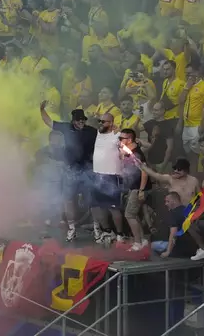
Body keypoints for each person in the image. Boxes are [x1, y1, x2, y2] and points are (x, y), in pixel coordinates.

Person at [40, 104, 97, 242]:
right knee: (69, 199)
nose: (81, 122)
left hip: (87, 169)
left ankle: (97, 229)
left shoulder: (92, 131)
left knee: (92, 200)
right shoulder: (66, 128)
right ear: (73, 120)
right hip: (71, 170)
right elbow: (49, 122)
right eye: (78, 120)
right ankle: (72, 228)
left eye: (83, 120)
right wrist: (42, 110)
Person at [91, 112, 122, 243]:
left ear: (111, 123)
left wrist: (119, 130)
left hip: (111, 176)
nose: (100, 124)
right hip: (97, 175)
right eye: (100, 121)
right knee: (100, 206)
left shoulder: (117, 135)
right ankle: (107, 231)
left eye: (103, 121)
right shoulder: (97, 134)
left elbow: (130, 139)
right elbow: (90, 122)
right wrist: (95, 117)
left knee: (113, 208)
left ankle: (120, 234)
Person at [119, 128, 151, 251]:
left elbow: (144, 172)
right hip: (133, 187)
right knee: (134, 215)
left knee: (130, 215)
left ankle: (137, 243)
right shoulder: (127, 152)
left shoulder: (137, 154)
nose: (120, 140)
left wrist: (141, 190)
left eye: (122, 138)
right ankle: (142, 240)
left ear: (130, 139)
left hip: (138, 188)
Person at [151, 191, 196, 258]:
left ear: (174, 201)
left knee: (151, 245)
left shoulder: (172, 214)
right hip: (193, 248)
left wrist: (168, 252)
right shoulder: (188, 210)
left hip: (179, 248)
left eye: (168, 201)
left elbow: (173, 233)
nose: (166, 204)